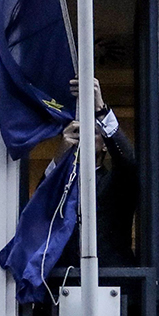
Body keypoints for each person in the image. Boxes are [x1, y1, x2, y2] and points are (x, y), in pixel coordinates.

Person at [53, 77, 139, 269]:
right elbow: (42, 202)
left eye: (93, 132)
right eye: (78, 131)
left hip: (112, 282)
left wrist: (100, 108)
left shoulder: (116, 180)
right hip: (65, 282)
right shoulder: (63, 181)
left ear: (106, 145)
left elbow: (128, 161)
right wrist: (60, 155)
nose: (85, 137)